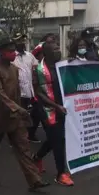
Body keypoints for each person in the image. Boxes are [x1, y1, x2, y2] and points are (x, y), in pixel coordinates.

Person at [0, 37, 50, 190]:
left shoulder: (14, 69)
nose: (14, 54)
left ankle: (34, 180)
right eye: (10, 51)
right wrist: (17, 108)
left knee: (23, 148)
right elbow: (0, 94)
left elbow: (16, 93)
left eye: (14, 51)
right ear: (1, 53)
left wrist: (20, 110)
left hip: (15, 116)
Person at [32, 42, 74, 186]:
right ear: (47, 53)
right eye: (55, 49)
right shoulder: (38, 70)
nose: (59, 51)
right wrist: (55, 106)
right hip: (48, 110)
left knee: (55, 138)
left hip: (62, 107)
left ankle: (37, 157)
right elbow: (38, 92)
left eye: (58, 48)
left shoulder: (61, 66)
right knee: (58, 139)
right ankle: (61, 173)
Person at [12, 34, 41, 143]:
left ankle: (31, 134)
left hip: (30, 91)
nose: (21, 42)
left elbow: (36, 68)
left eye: (23, 40)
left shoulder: (29, 56)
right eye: (18, 40)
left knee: (36, 113)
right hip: (18, 92)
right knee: (18, 116)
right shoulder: (12, 57)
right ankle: (16, 138)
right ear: (14, 43)